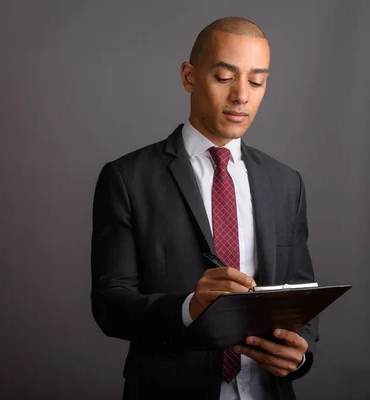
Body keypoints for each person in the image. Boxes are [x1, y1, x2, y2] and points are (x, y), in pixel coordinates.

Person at [90, 16, 318, 400]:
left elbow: (301, 299)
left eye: (256, 81)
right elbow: (110, 304)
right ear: (189, 76)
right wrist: (188, 307)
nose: (242, 96)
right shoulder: (127, 178)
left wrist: (300, 357)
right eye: (225, 78)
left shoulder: (286, 183)